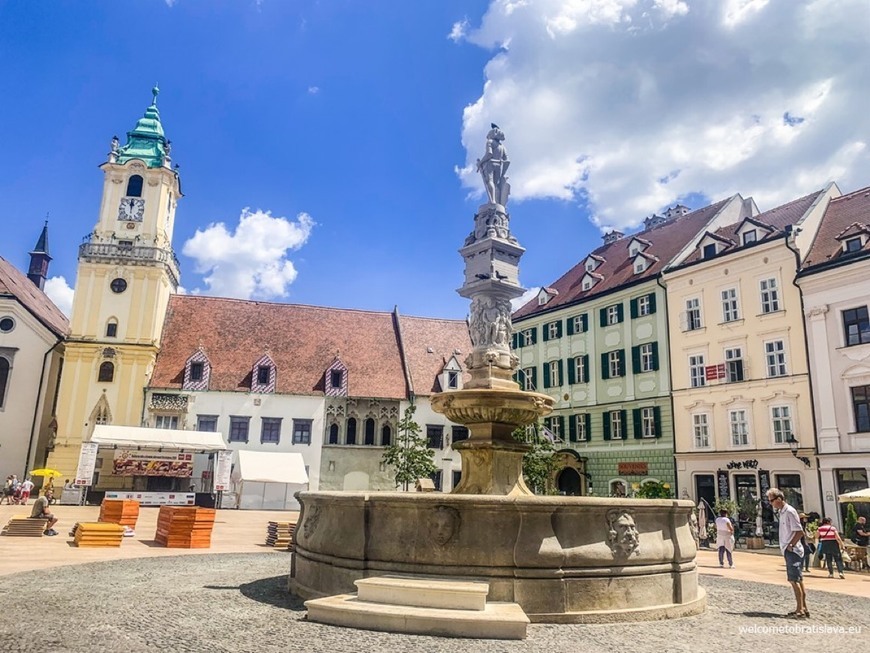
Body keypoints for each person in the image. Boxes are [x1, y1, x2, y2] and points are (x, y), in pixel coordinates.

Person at [767, 487, 808, 618]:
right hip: (788, 549)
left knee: (794, 580)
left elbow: (799, 531)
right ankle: (803, 608)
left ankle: (799, 610)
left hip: (793, 550)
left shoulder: (789, 511)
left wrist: (791, 545)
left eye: (772, 500)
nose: (771, 503)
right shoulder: (782, 512)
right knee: (798, 579)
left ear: (779, 499)